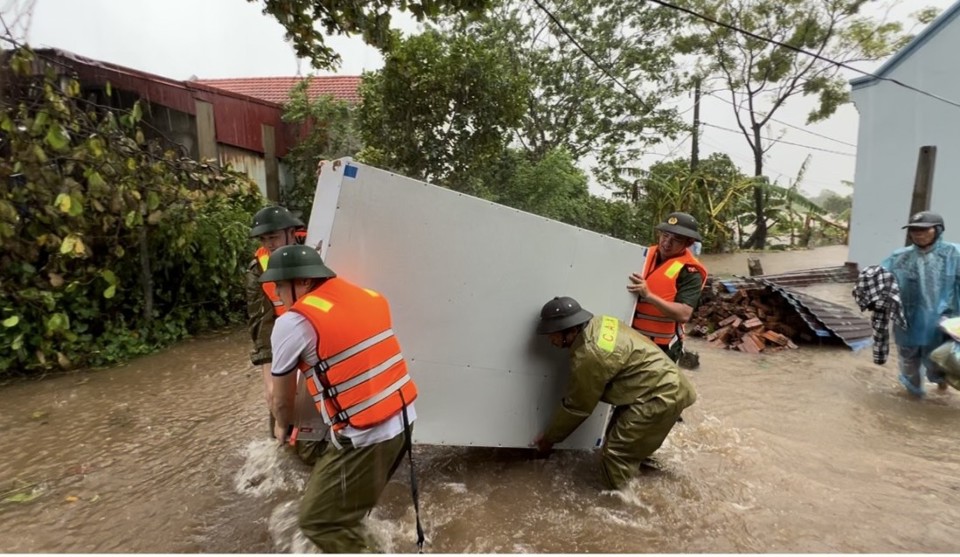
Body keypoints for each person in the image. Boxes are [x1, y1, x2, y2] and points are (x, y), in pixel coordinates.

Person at [261, 245, 419, 552]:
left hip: (367, 436)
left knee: (319, 521)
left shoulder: (292, 323)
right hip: (404, 420)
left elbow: (282, 401)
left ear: (304, 283)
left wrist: (283, 427)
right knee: (348, 513)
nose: (276, 292)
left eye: (280, 283)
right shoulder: (369, 296)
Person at [532, 296, 697, 490]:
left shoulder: (589, 354)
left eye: (552, 334)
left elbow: (578, 406)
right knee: (629, 446)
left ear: (570, 330)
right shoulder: (601, 322)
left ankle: (622, 505)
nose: (550, 340)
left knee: (615, 454)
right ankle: (661, 482)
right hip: (665, 384)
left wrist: (550, 438)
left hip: (657, 395)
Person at [880, 211, 960, 397]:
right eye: (914, 230)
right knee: (908, 360)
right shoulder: (899, 256)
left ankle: (941, 383)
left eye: (924, 229)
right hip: (907, 319)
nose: (918, 233)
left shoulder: (954, 254)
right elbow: (882, 282)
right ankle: (914, 394)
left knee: (937, 359)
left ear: (938, 230)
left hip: (941, 320)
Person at [246, 206, 306, 434]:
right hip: (284, 337)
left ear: (292, 233)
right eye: (264, 239)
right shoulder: (256, 273)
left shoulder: (318, 247)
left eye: (274, 237)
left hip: (318, 332)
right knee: (277, 400)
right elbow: (261, 324)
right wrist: (268, 375)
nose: (269, 244)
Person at [627, 212, 708, 363]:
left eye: (676, 239)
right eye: (665, 235)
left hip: (661, 349)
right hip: (629, 340)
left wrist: (649, 295)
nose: (667, 243)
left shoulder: (690, 272)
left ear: (688, 243)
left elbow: (684, 314)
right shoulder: (641, 255)